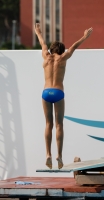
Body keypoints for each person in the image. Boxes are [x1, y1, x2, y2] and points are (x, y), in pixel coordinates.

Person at [34, 23, 93, 169]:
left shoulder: (46, 56)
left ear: (52, 50)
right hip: (58, 93)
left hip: (46, 92)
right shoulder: (63, 58)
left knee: (48, 124)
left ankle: (48, 154)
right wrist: (84, 37)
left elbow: (43, 43)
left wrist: (38, 32)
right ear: (61, 50)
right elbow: (73, 47)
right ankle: (59, 156)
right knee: (59, 124)